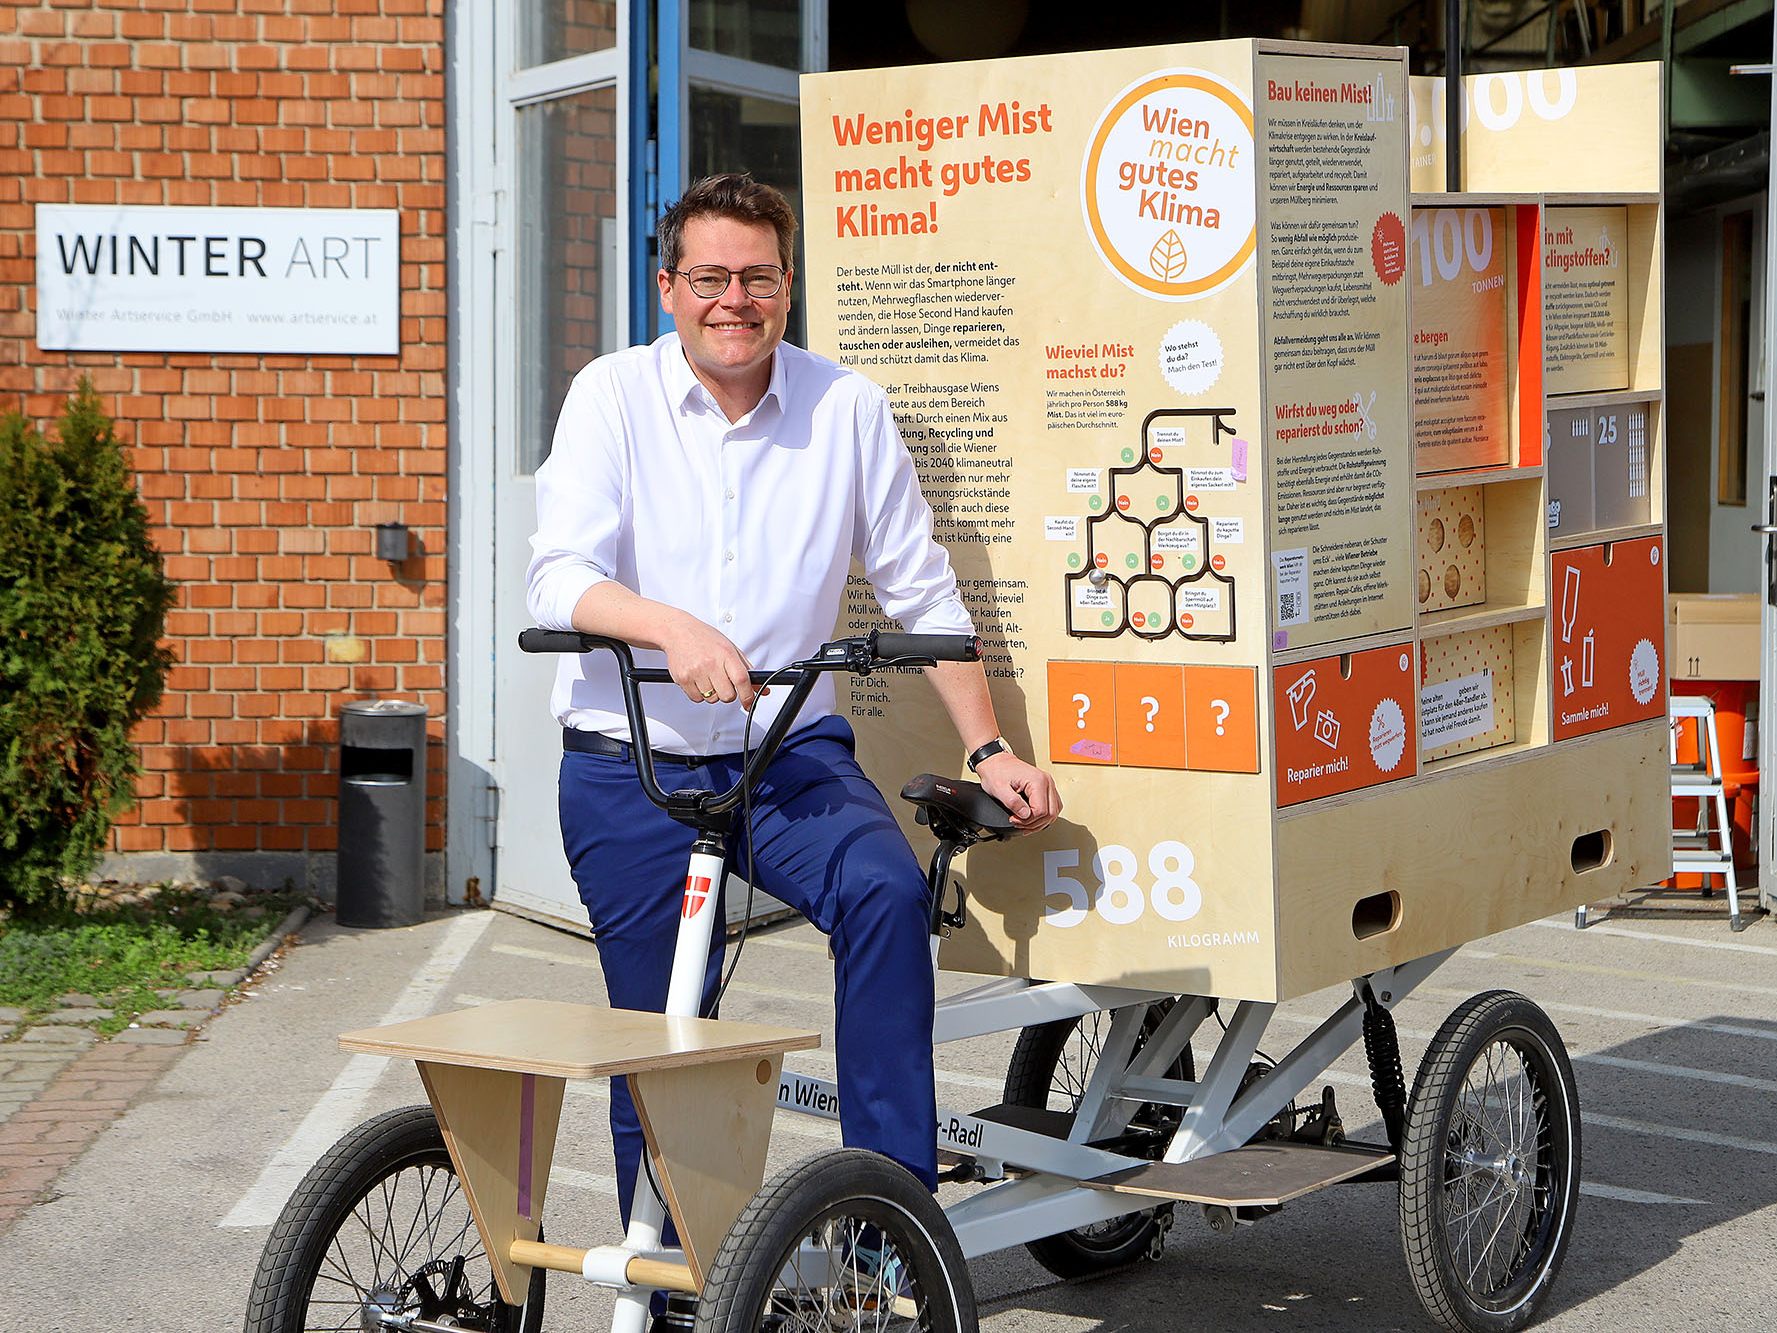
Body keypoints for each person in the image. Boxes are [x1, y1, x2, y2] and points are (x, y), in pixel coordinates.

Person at [525, 171, 1059, 1257]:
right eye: (711, 277)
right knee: (658, 1031)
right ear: (668, 286)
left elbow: (919, 589)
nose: (736, 300)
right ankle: (676, 1274)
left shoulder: (844, 406)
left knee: (882, 898)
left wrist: (988, 744)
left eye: (758, 278)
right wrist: (670, 628)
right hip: (633, 763)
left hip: (787, 757)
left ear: (787, 286)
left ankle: (888, 1231)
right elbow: (556, 581)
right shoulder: (611, 396)